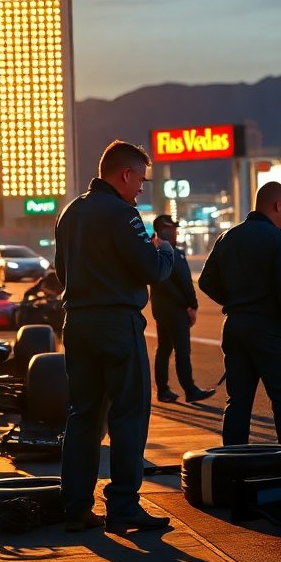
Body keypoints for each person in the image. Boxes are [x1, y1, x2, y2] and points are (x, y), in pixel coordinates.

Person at [54, 140, 175, 533]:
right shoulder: (123, 214)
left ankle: (75, 507)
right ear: (124, 174)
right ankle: (123, 506)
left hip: (77, 324)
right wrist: (166, 250)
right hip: (116, 325)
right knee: (129, 414)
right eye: (140, 178)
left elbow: (62, 272)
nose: (141, 187)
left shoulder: (70, 212)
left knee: (84, 414)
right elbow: (152, 270)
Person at [199, 181, 281, 448]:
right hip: (269, 329)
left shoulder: (228, 237)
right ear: (277, 205)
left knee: (237, 402)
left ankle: (231, 465)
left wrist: (236, 302)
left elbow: (206, 281)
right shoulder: (279, 240)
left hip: (235, 325)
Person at [150, 214, 215, 404]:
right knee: (182, 350)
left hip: (161, 310)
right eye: (173, 230)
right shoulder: (171, 253)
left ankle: (163, 390)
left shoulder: (153, 251)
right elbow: (185, 282)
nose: (176, 234)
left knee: (164, 349)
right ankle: (190, 389)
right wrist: (191, 305)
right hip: (176, 310)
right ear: (165, 230)